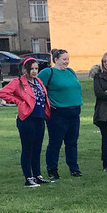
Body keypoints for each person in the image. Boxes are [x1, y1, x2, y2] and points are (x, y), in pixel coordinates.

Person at [0, 56, 52, 187]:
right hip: (27, 119)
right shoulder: (18, 82)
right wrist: (18, 101)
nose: (34, 71)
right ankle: (28, 177)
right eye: (31, 69)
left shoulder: (38, 81)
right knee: (28, 148)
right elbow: (3, 93)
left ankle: (37, 175)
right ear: (25, 69)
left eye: (36, 68)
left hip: (39, 118)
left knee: (37, 148)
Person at [38, 48, 84, 179]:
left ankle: (74, 168)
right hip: (58, 113)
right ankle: (52, 169)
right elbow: (37, 87)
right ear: (56, 59)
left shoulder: (70, 72)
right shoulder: (48, 72)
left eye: (68, 59)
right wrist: (47, 102)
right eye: (64, 59)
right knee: (55, 142)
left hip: (74, 112)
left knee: (72, 142)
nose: (66, 62)